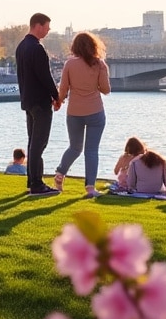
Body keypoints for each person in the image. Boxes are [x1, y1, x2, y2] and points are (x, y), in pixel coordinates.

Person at [53, 31, 112, 197]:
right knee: (91, 151)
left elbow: (63, 89)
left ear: (75, 47)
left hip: (74, 113)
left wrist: (59, 102)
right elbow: (106, 90)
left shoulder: (69, 64)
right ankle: (90, 188)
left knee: (74, 147)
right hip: (95, 112)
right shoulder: (100, 65)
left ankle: (59, 174)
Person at [16, 12, 61, 196]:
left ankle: (32, 180)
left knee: (32, 143)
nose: (48, 30)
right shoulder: (37, 48)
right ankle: (37, 183)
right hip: (40, 103)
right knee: (39, 143)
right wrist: (56, 96)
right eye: (47, 27)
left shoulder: (21, 47)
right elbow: (46, 77)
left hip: (28, 100)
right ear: (38, 25)